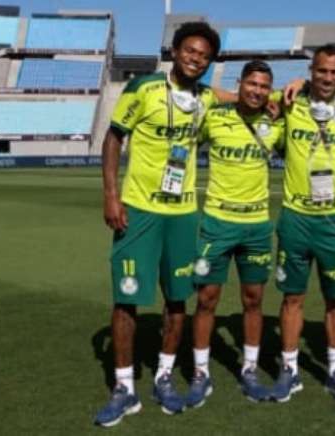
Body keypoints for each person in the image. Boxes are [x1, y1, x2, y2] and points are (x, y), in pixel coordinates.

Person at [94, 22, 236, 426]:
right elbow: (113, 137)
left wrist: (286, 90)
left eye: (204, 56)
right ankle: (124, 388)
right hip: (138, 209)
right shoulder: (144, 89)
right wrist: (110, 194)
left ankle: (164, 377)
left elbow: (243, 97)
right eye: (190, 51)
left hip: (182, 213)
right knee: (126, 298)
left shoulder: (206, 96)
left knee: (177, 299)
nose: (196, 59)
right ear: (175, 51)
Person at [270, 44, 335, 404]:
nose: (328, 78)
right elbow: (246, 96)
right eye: (321, 71)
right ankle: (289, 370)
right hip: (295, 218)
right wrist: (293, 85)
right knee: (292, 297)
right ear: (311, 71)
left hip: (334, 220)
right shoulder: (289, 101)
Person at [185, 60, 285, 407]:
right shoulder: (215, 117)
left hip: (257, 226)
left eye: (264, 86)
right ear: (240, 83)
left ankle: (251, 369)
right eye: (252, 84)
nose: (257, 91)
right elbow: (197, 103)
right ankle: (200, 373)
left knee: (254, 300)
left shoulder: (276, 123)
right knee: (206, 299)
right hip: (216, 223)